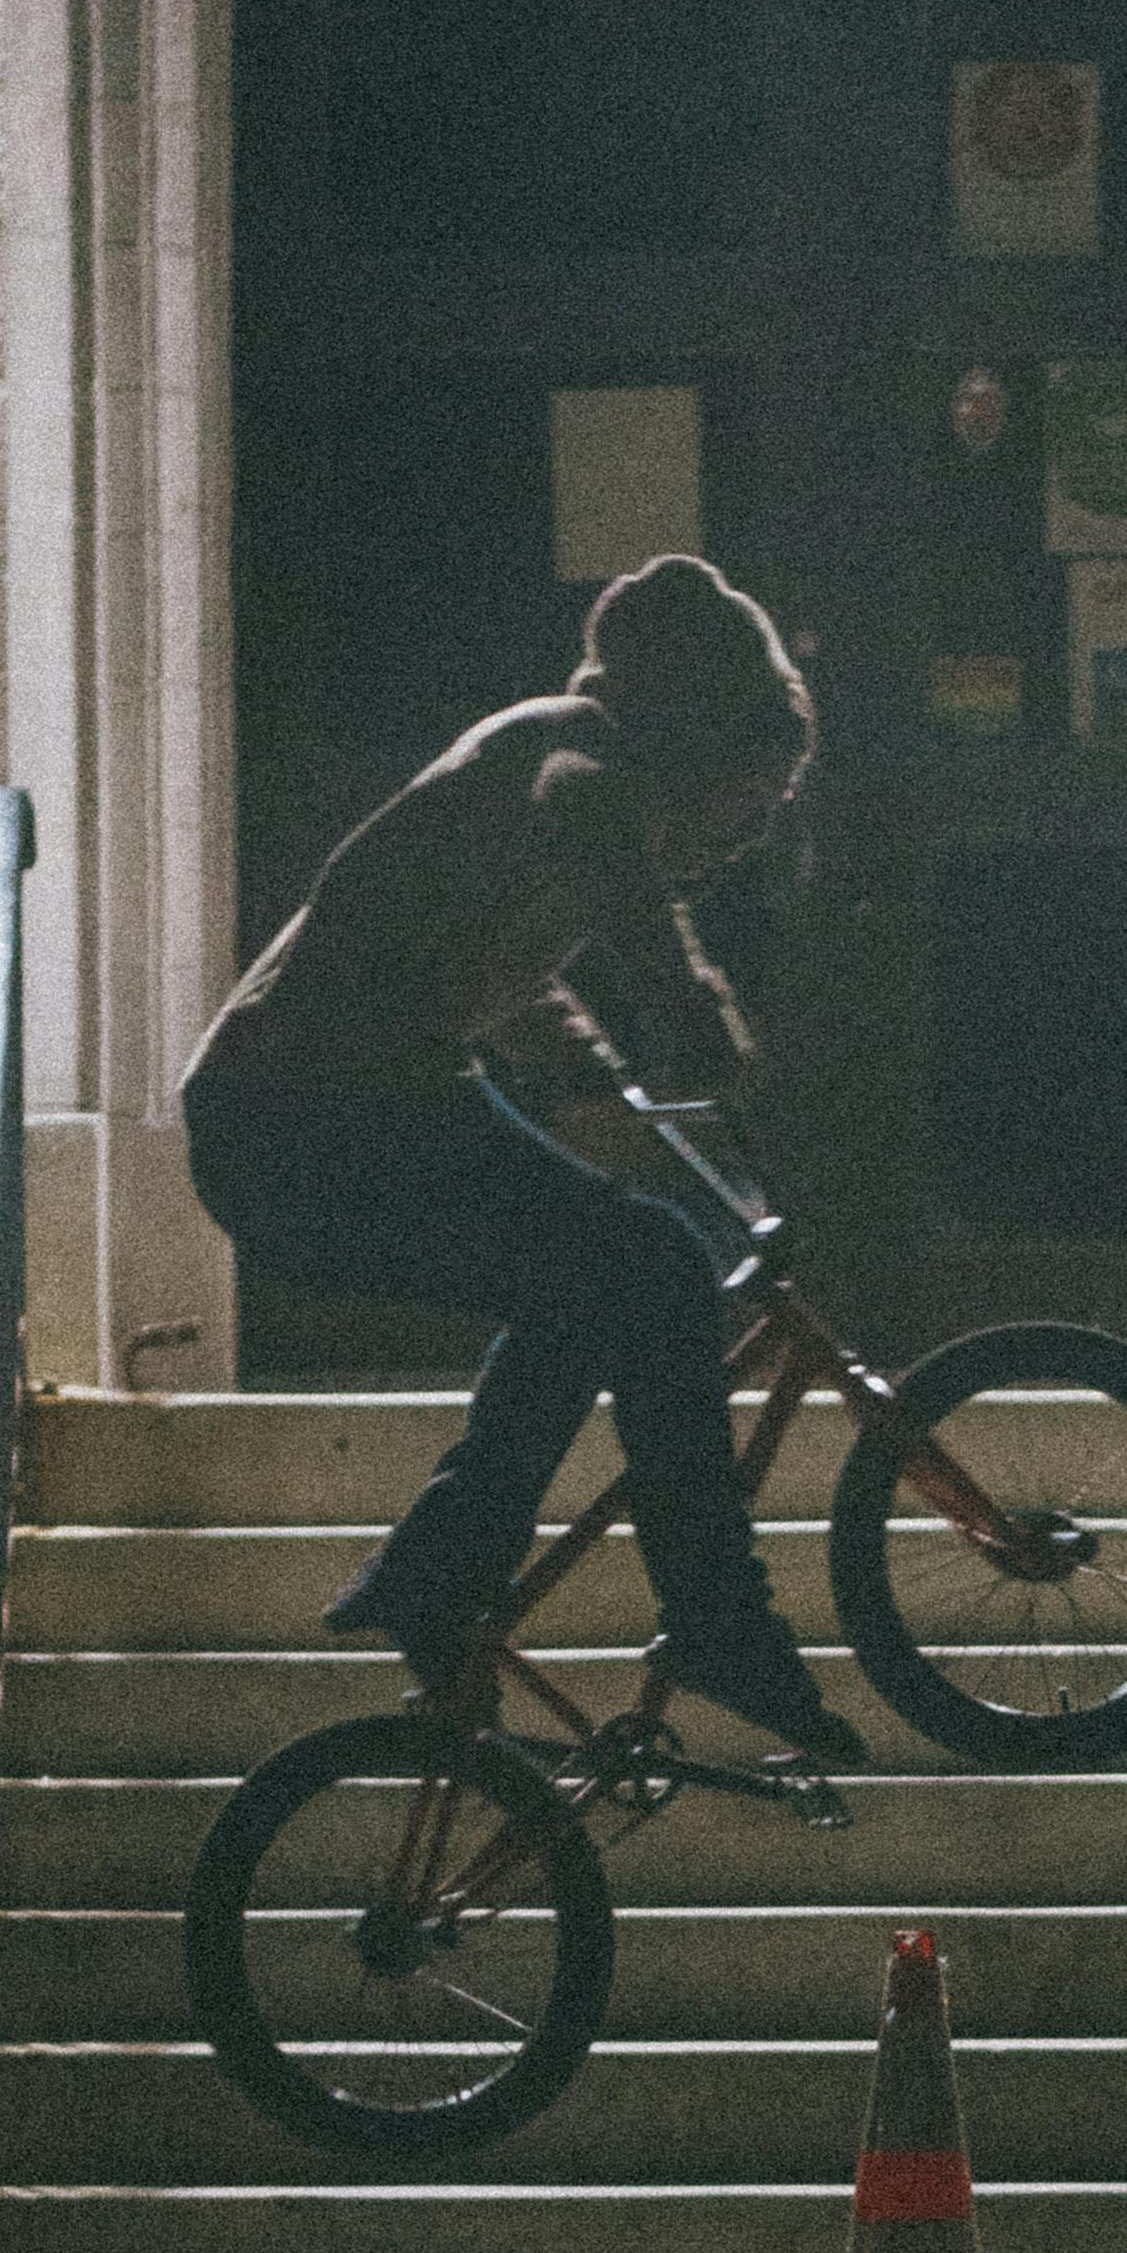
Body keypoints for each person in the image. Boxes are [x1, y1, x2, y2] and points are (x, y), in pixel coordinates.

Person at [179, 553, 868, 1765]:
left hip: (352, 1104)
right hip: (301, 1119)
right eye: (754, 801)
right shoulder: (576, 757)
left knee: (601, 1273)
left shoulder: (555, 779)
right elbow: (612, 879)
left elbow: (514, 962)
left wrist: (602, 1076)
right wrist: (697, 1014)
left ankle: (438, 1572)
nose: (750, 836)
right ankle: (712, 1616)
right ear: (702, 744)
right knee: (648, 1264)